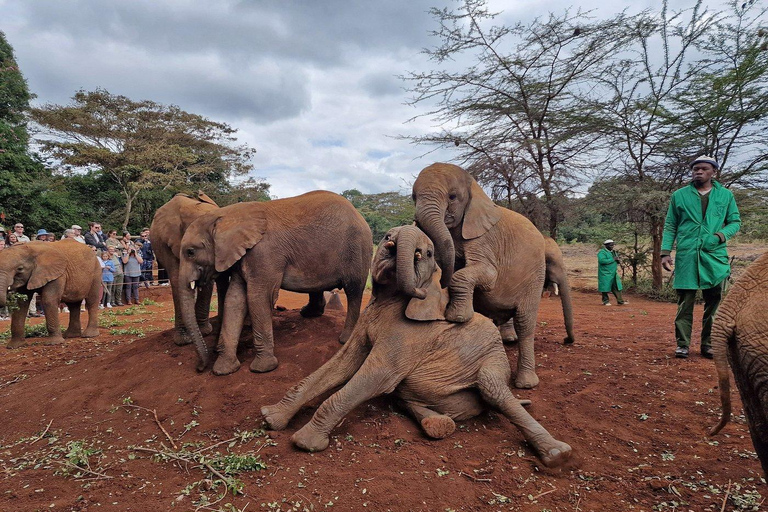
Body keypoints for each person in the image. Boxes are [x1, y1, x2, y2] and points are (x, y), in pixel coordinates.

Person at [661, 155, 741, 360]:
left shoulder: (725, 196)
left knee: (714, 303)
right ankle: (682, 345)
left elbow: (735, 222)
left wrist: (719, 236)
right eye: (695, 169)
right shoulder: (679, 196)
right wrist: (665, 252)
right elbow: (671, 225)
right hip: (687, 255)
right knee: (684, 303)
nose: (698, 172)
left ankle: (708, 344)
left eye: (704, 169)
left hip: (714, 256)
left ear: (713, 172)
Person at [597, 239, 626, 306]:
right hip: (605, 273)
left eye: (613, 245)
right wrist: (613, 259)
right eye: (611, 245)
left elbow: (616, 260)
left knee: (617, 286)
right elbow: (602, 261)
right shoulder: (602, 252)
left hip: (613, 272)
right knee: (605, 287)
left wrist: (618, 260)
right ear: (606, 246)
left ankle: (620, 301)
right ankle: (605, 301)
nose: (612, 246)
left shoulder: (613, 252)